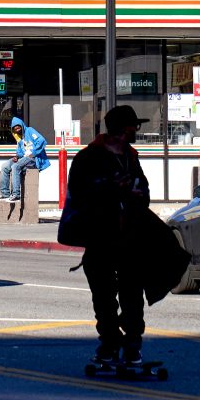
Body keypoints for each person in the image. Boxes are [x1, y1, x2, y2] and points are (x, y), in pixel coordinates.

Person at [58, 105, 152, 368]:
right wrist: (112, 189)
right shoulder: (88, 158)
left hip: (129, 238)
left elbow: (144, 191)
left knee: (132, 293)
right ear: (124, 129)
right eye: (135, 126)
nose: (137, 130)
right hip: (100, 237)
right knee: (103, 294)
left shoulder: (131, 157)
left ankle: (133, 345)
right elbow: (78, 193)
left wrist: (136, 194)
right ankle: (109, 343)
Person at [2, 113, 49, 220]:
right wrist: (16, 157)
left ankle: (16, 194)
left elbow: (42, 141)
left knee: (15, 167)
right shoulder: (19, 138)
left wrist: (34, 153)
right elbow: (20, 151)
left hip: (33, 158)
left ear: (22, 125)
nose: (17, 129)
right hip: (23, 158)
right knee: (5, 166)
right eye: (14, 128)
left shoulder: (30, 131)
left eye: (18, 126)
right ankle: (5, 193)